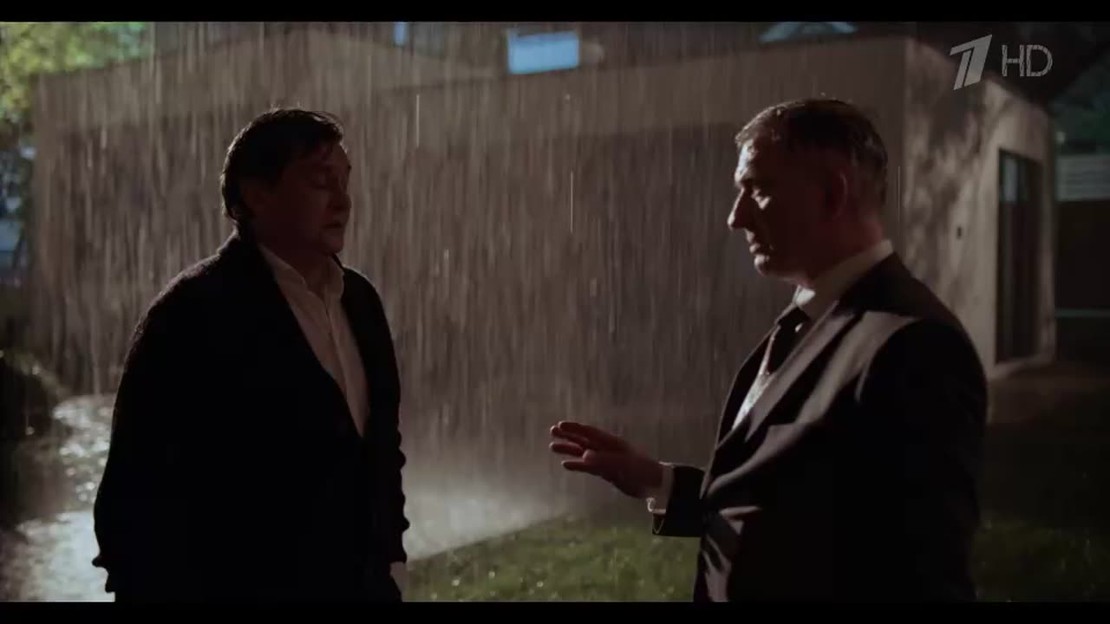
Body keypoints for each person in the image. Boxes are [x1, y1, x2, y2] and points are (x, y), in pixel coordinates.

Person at [550, 98, 987, 602]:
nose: (735, 217)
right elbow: (796, 513)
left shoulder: (913, 347)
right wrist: (658, 482)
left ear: (831, 194)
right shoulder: (813, 319)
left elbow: (925, 581)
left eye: (757, 189)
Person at [92, 108, 409, 602]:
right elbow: (134, 498)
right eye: (320, 181)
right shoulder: (190, 314)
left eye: (345, 180)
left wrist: (390, 559)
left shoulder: (361, 302)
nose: (343, 200)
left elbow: (381, 450)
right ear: (257, 194)